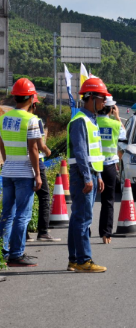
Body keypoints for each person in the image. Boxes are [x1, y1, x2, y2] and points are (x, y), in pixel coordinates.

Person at [0, 78, 42, 267]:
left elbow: (1, 144)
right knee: (22, 215)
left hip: (8, 171)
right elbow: (33, 150)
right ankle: (16, 254)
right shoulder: (31, 119)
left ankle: (3, 252)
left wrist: (7, 161)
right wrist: (38, 174)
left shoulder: (3, 118)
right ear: (32, 98)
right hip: (24, 173)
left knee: (7, 213)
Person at [66, 78, 107, 273]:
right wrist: (87, 177)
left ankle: (75, 259)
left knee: (77, 219)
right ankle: (83, 260)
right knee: (83, 219)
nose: (104, 102)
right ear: (91, 98)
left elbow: (93, 152)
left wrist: (97, 175)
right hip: (81, 175)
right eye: (102, 98)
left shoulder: (91, 120)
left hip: (89, 173)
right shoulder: (80, 121)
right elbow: (81, 152)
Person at [27, 93, 60, 242]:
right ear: (33, 105)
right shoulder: (35, 120)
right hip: (36, 163)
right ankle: (43, 231)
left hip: (18, 163)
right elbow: (39, 145)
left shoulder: (12, 119)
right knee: (44, 196)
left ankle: (24, 233)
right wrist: (48, 151)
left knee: (24, 200)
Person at [96, 96, 126, 244]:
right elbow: (124, 138)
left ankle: (85, 230)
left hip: (92, 165)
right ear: (111, 108)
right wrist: (118, 117)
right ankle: (105, 234)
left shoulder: (92, 122)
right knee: (108, 201)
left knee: (87, 200)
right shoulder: (115, 124)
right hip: (108, 166)